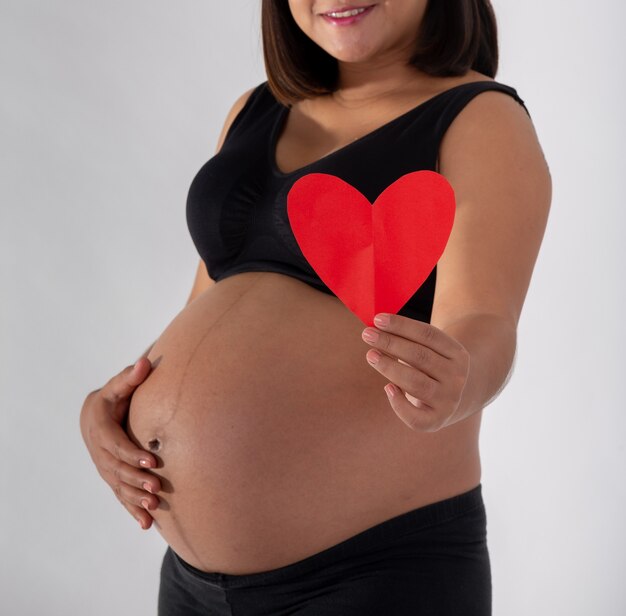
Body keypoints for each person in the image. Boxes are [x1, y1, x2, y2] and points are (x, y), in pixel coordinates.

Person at [80, 1, 551, 614]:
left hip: (374, 574)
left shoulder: (480, 117)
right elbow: (211, 300)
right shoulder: (253, 110)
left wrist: (464, 382)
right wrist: (115, 412)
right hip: (190, 584)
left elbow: (485, 320)